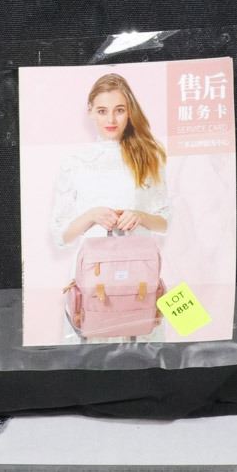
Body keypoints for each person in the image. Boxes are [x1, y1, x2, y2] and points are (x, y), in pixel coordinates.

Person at [50, 72, 169, 344]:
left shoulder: (149, 155)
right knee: (91, 351)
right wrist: (91, 216)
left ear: (130, 112)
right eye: (102, 111)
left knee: (143, 349)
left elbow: (165, 222)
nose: (111, 120)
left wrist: (140, 216)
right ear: (90, 111)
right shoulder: (75, 161)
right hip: (93, 277)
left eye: (120, 110)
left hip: (139, 276)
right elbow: (60, 236)